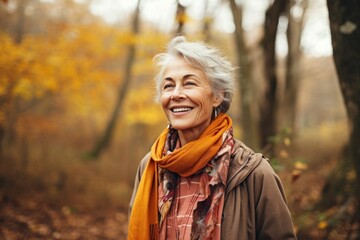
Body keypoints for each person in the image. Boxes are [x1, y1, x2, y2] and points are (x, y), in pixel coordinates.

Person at [128, 36, 296, 240]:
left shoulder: (254, 174)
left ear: (217, 96)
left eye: (189, 84)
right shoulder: (150, 166)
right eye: (168, 86)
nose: (176, 94)